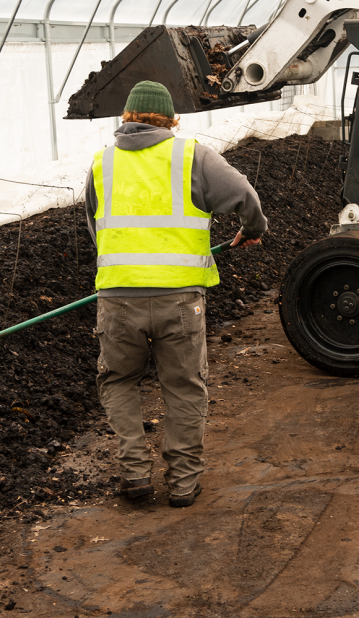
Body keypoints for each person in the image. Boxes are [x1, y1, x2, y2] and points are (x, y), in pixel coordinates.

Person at [83, 80, 267, 508]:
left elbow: (97, 232)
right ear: (171, 120)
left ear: (125, 118)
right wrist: (251, 231)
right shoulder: (193, 157)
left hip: (117, 299)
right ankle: (183, 483)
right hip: (181, 301)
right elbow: (245, 196)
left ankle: (134, 474)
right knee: (184, 386)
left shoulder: (101, 165)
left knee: (119, 381)